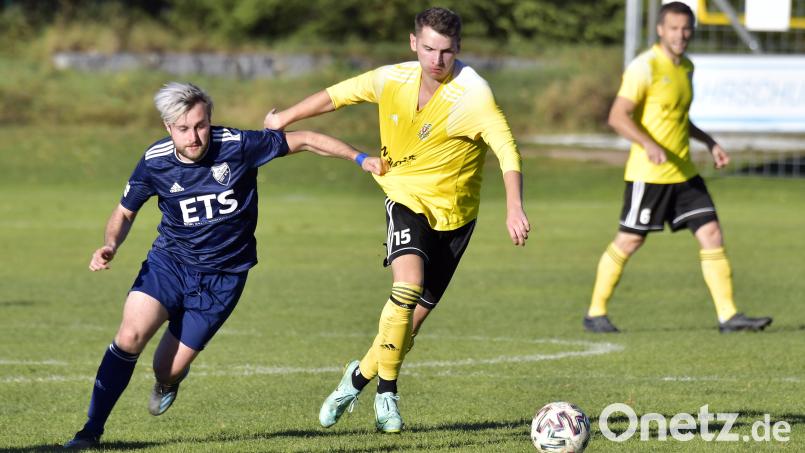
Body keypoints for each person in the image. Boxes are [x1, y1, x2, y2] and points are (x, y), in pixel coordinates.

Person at [63, 82, 386, 450]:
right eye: (183, 129)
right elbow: (125, 211)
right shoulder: (155, 161)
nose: (194, 136)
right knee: (130, 336)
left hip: (224, 278)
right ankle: (90, 431)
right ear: (168, 128)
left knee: (165, 368)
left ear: (210, 119)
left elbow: (305, 140)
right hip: (170, 263)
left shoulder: (238, 146)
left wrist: (361, 159)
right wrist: (110, 244)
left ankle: (167, 383)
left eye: (200, 125)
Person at [265, 7, 530, 433]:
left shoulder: (474, 94)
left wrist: (514, 206)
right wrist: (283, 119)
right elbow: (338, 94)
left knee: (409, 326)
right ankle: (387, 392)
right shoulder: (393, 78)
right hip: (403, 194)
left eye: (445, 51)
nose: (436, 60)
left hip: (457, 217)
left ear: (458, 48)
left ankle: (355, 379)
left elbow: (507, 150)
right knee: (405, 288)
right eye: (428, 48)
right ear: (414, 43)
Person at [583, 2, 772, 334]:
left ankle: (729, 317)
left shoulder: (686, 67)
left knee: (711, 232)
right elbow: (617, 116)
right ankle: (595, 312)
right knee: (629, 241)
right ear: (660, 30)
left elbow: (679, 118)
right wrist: (649, 144)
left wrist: (710, 142)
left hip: (683, 172)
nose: (681, 34)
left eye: (686, 28)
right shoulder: (645, 67)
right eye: (674, 28)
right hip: (649, 174)